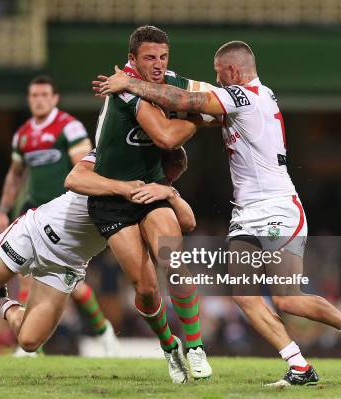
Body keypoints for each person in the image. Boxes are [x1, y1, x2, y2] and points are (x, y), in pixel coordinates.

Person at [95, 40, 341, 386]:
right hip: (246, 212)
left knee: (288, 299)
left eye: (220, 76)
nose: (218, 82)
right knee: (244, 296)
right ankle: (300, 367)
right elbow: (192, 110)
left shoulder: (245, 96)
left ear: (232, 72)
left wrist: (130, 84)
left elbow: (185, 100)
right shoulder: (251, 97)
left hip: (278, 206)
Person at [0, 148, 196, 381]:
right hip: (36, 232)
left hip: (67, 264)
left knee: (29, 341)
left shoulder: (157, 196)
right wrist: (124, 187)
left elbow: (188, 222)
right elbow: (74, 178)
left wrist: (169, 192)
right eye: (168, 175)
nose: (167, 180)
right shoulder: (113, 158)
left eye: (172, 178)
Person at [85, 25, 214, 383]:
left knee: (173, 261)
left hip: (152, 190)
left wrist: (214, 105)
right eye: (149, 58)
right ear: (132, 60)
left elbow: (217, 99)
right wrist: (198, 118)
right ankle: (170, 347)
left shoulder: (169, 80)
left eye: (163, 57)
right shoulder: (122, 86)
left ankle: (196, 346)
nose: (158, 65)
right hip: (112, 196)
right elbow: (165, 135)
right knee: (145, 289)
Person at [0, 75, 118, 356]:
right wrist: (3, 209)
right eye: (34, 96)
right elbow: (15, 175)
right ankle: (30, 349)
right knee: (25, 275)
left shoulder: (69, 127)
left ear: (54, 98)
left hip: (65, 214)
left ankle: (103, 330)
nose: (38, 100)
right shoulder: (22, 134)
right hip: (33, 210)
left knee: (73, 285)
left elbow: (87, 166)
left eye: (43, 95)